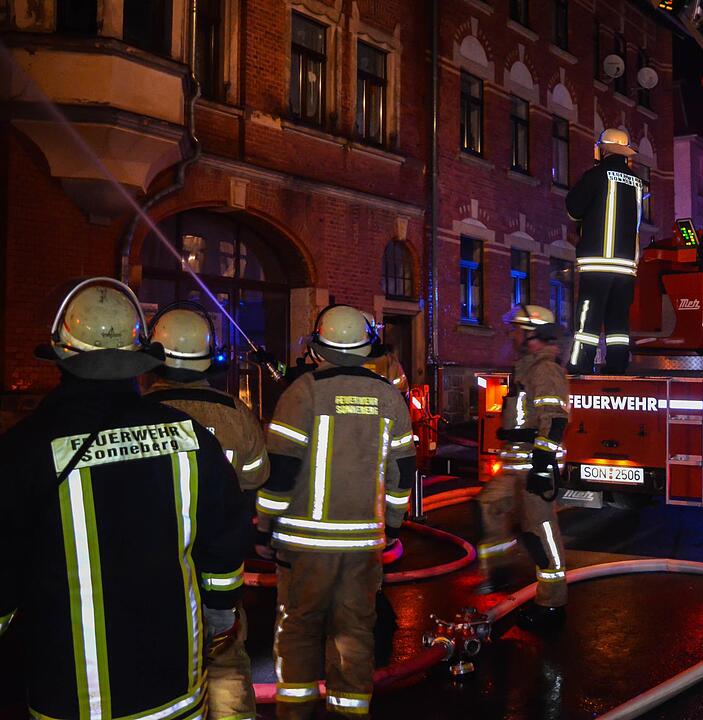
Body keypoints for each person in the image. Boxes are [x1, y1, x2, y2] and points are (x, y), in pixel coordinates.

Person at [0, 278, 245, 720]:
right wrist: (220, 615)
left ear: (62, 351)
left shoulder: (23, 451)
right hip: (177, 696)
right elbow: (225, 547)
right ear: (139, 358)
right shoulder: (191, 438)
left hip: (72, 699)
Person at [257, 304, 415, 718]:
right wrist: (393, 527)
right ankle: (350, 712)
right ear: (367, 348)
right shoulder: (389, 396)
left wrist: (263, 527)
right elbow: (403, 470)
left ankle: (296, 713)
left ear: (317, 348)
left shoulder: (303, 391)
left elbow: (281, 469)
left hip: (304, 546)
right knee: (354, 634)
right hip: (363, 544)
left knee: (299, 631)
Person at [146, 302, 270, 720]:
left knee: (162, 672)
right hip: (221, 573)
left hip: (157, 574)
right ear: (208, 358)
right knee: (228, 665)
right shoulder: (237, 414)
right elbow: (255, 480)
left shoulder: (137, 415)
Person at [476, 305, 571, 630]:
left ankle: (552, 603)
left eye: (518, 329)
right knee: (491, 505)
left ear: (532, 334)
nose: (513, 334)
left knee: (540, 532)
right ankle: (498, 573)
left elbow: (555, 419)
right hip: (515, 462)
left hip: (533, 464)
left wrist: (543, 466)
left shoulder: (544, 370)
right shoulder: (526, 367)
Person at [565, 128, 644, 375]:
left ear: (603, 148)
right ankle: (617, 366)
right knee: (618, 321)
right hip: (626, 267)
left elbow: (573, 208)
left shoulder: (596, 175)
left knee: (588, 319)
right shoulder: (637, 182)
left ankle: (580, 364)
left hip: (598, 264)